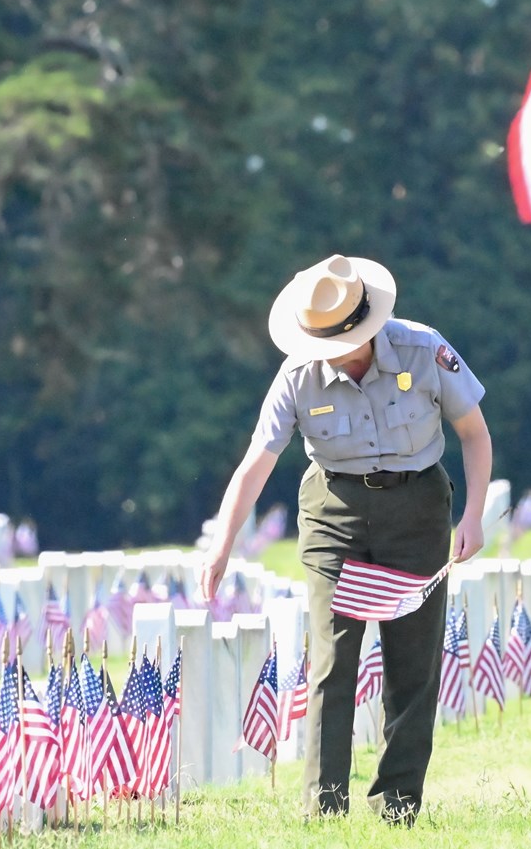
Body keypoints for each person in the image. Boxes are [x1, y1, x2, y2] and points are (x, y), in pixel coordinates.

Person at [198, 254, 493, 824]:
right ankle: (324, 810)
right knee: (333, 660)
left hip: (418, 508)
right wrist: (221, 545)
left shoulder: (423, 348)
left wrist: (474, 515)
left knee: (413, 663)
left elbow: (474, 434)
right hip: (336, 512)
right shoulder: (297, 375)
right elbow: (256, 464)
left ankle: (398, 806)